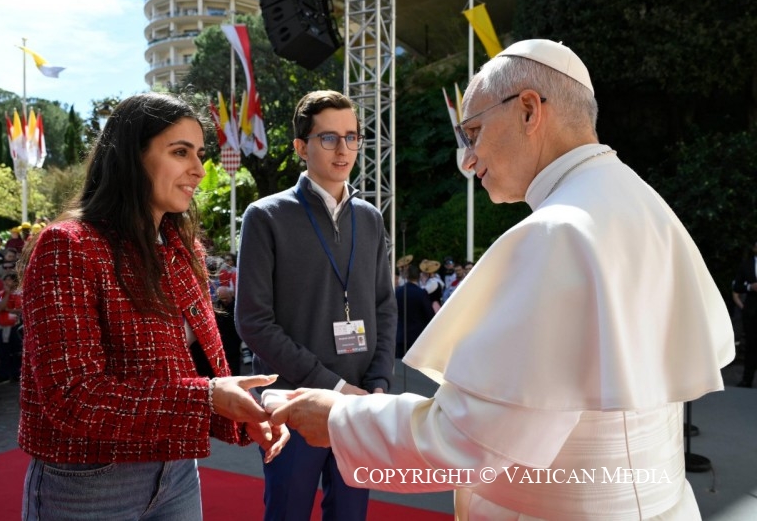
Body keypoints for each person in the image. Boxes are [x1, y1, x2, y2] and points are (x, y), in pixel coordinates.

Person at [270, 40, 735, 520]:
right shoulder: (640, 201)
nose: (467, 159)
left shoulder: (559, 232)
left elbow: (475, 443)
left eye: (473, 132)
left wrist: (340, 418)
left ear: (529, 110)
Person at [17, 92, 288, 521]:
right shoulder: (69, 246)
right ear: (130, 157)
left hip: (177, 470)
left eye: (199, 153)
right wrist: (210, 399)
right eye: (180, 152)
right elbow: (72, 397)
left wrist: (243, 413)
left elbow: (195, 370)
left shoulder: (184, 248)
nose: (198, 170)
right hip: (89, 481)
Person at [235, 90, 397, 521]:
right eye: (328, 138)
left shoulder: (370, 218)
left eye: (351, 136)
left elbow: (384, 305)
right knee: (287, 513)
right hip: (294, 405)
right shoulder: (265, 216)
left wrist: (378, 382)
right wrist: (336, 388)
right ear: (301, 147)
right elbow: (253, 321)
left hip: (360, 404)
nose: (343, 149)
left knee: (350, 514)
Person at [731, 240, 757, 387]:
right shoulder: (746, 265)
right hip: (752, 311)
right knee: (751, 345)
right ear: (754, 247)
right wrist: (750, 287)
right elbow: (737, 286)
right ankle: (747, 379)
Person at [395, 263, 434, 358]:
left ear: (406, 276)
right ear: (419, 276)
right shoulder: (421, 293)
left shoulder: (397, 292)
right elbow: (429, 315)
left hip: (400, 336)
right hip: (418, 338)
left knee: (400, 369)